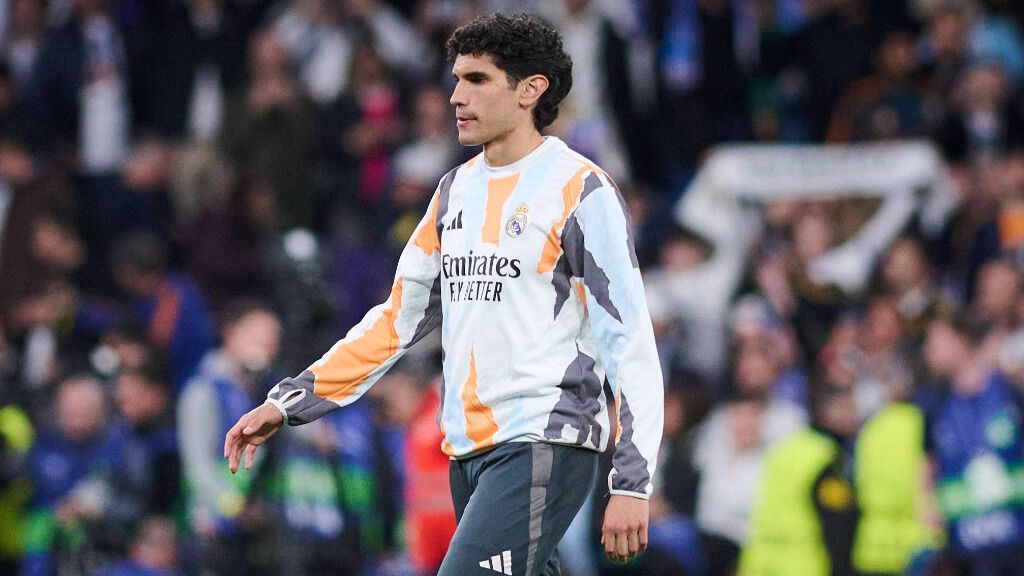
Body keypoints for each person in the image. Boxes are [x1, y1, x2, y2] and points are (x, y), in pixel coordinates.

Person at [224, 12, 664, 576]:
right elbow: (394, 323)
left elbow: (628, 340)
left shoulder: (581, 190)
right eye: (456, 79)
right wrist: (287, 403)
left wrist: (632, 480)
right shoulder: (454, 191)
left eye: (477, 80)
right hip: (469, 454)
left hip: (541, 446)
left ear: (532, 90)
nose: (456, 95)